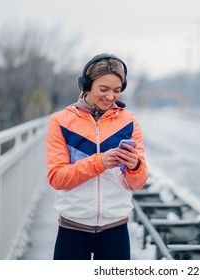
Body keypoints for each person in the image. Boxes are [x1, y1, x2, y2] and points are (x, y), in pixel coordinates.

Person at [46, 53, 149, 260]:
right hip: (72, 228)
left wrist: (135, 166)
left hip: (116, 229)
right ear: (86, 85)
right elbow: (57, 178)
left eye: (117, 90)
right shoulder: (60, 121)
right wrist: (99, 162)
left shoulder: (129, 122)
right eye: (103, 89)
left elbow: (138, 182)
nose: (110, 96)